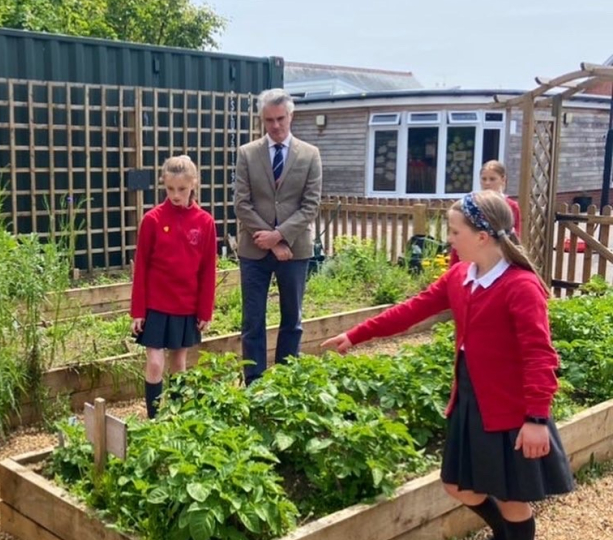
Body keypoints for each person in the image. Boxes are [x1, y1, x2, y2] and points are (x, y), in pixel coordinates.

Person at [322, 190, 573, 540]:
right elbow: (412, 309)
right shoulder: (459, 276)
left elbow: (539, 355)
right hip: (470, 398)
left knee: (514, 500)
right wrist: (356, 335)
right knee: (458, 486)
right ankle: (505, 534)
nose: (448, 239)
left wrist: (536, 419)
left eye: (455, 232)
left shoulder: (521, 286)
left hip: (511, 409)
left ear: (482, 236)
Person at [234, 88, 322, 385]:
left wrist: (280, 237)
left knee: (291, 319)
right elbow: (241, 204)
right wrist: (270, 240)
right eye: (269, 120)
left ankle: (285, 382)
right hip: (254, 250)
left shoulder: (310, 155)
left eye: (280, 118)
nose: (275, 125)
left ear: (291, 116)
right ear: (262, 119)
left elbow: (310, 206)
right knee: (252, 321)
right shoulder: (247, 153)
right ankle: (254, 382)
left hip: (294, 250)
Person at [130, 155, 217, 419]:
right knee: (155, 364)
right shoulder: (152, 220)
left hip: (186, 305)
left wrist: (205, 311)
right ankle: (154, 421)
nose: (176, 195)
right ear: (163, 185)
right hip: (156, 305)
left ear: (194, 185)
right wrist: (138, 311)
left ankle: (178, 418)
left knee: (179, 365)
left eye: (181, 189)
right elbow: (141, 266)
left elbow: (208, 271)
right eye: (170, 189)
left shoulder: (205, 223)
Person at [450, 160, 521, 266]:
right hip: (470, 257)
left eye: (492, 179)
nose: (487, 183)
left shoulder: (511, 206)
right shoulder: (472, 204)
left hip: (499, 259)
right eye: (484, 179)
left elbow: (514, 236)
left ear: (503, 180)